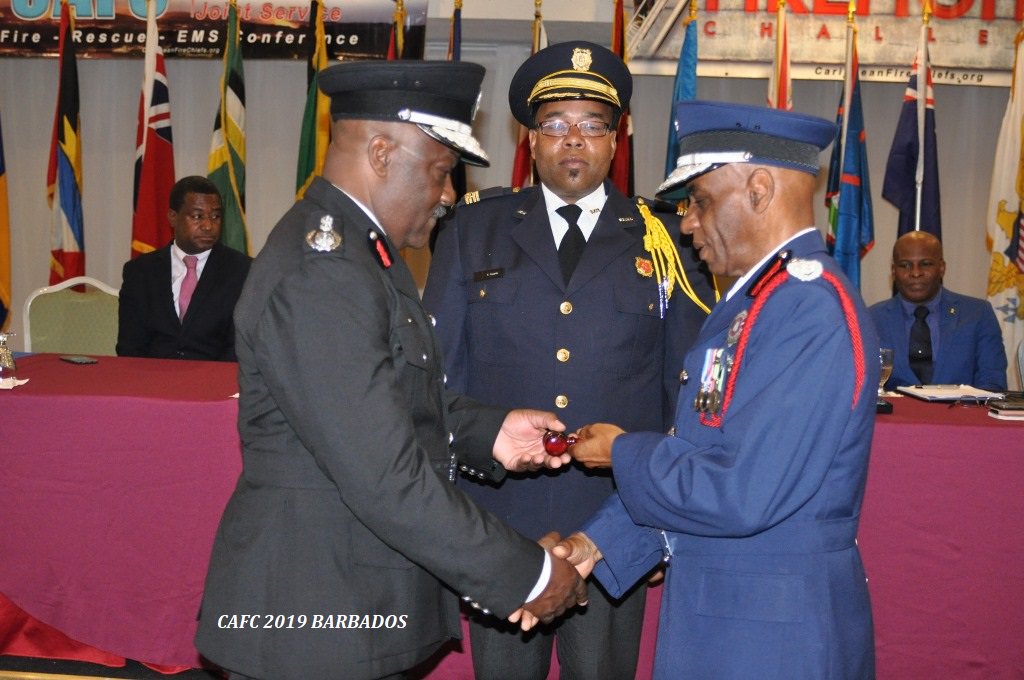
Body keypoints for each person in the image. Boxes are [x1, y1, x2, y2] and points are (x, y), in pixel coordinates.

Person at [193, 60, 588, 680]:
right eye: (438, 172)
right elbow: (384, 474)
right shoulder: (323, 272)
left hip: (346, 604)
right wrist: (528, 574)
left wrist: (491, 432)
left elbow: (392, 399)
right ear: (381, 153)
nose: (450, 194)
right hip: (313, 619)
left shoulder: (361, 255)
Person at [550, 100, 880, 679]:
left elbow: (740, 488)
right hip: (733, 621)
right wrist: (593, 546)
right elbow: (700, 457)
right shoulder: (753, 305)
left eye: (699, 201)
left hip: (774, 640)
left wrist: (622, 451)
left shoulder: (809, 309)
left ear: (757, 189)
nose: (686, 223)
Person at [423, 41, 715, 680]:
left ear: (619, 137)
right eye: (555, 125)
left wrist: (661, 517)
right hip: (500, 524)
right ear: (530, 138)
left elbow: (684, 390)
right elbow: (440, 377)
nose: (573, 140)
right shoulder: (473, 230)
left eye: (592, 125)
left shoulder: (668, 239)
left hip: (614, 523)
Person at [116, 175, 251, 361]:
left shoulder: (242, 271)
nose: (208, 225)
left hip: (214, 382)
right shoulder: (140, 272)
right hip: (151, 381)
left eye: (215, 216)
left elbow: (239, 347)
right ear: (173, 217)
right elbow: (129, 346)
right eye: (197, 216)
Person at [869, 230, 1007, 391]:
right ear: (893, 271)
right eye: (905, 265)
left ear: (942, 268)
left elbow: (993, 383)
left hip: (961, 415)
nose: (915, 273)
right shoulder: (871, 319)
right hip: (895, 415)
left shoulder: (978, 314)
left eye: (926, 264)